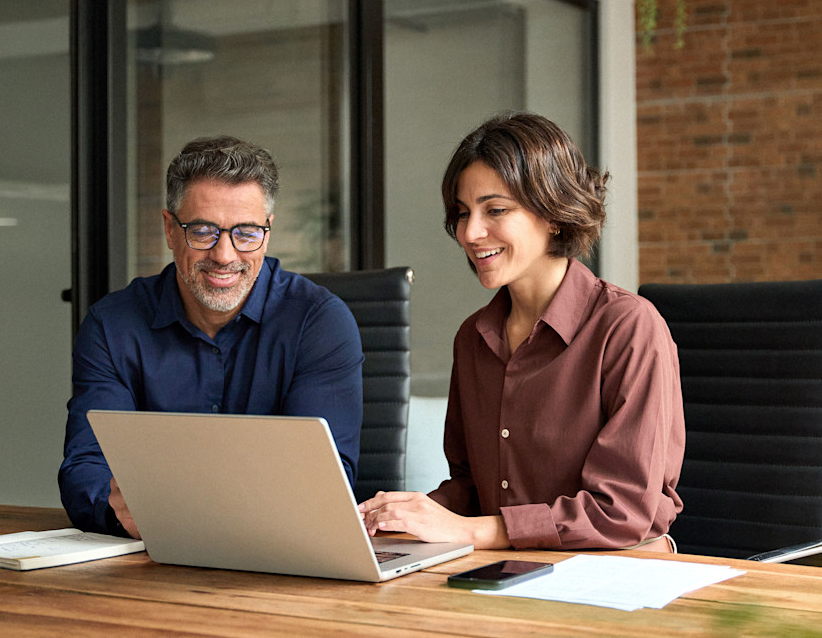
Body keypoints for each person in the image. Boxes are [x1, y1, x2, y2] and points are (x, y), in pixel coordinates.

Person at [360, 112, 685, 551]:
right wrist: (404, 513)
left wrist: (472, 531)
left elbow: (621, 512)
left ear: (553, 213)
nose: (471, 233)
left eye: (495, 210)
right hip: (506, 570)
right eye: (462, 213)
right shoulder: (473, 338)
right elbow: (474, 488)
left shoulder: (628, 328)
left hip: (609, 574)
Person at [59, 135, 364, 538]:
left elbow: (325, 480)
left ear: (267, 233)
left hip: (281, 556)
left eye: (246, 232)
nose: (224, 255)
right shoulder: (111, 326)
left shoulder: (319, 323)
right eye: (202, 231)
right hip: (149, 555)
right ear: (170, 229)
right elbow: (86, 468)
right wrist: (119, 510)